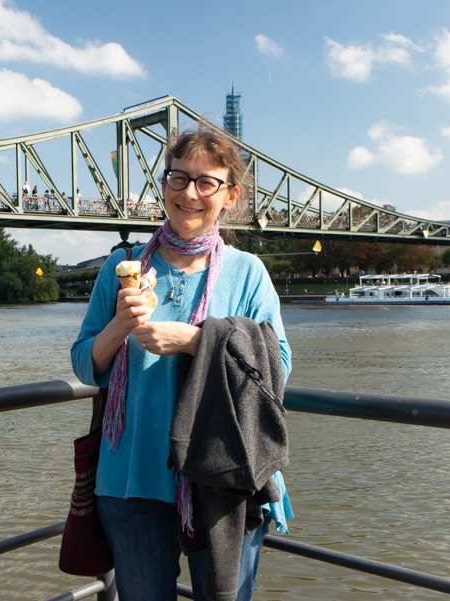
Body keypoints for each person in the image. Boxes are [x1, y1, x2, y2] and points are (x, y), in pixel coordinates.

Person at [71, 124, 291, 601]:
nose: (189, 193)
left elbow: (279, 365)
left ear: (230, 195)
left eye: (206, 182)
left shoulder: (248, 271)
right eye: (177, 178)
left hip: (224, 476)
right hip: (131, 478)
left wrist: (195, 341)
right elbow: (85, 366)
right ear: (164, 184)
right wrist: (117, 328)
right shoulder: (121, 267)